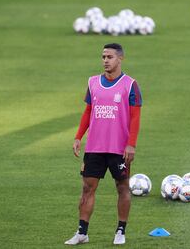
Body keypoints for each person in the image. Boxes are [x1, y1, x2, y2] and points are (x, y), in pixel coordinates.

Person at [65, 43, 142, 245]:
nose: (105, 60)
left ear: (120, 59)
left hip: (119, 149)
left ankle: (120, 231)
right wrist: (78, 136)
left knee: (123, 188)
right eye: (103, 57)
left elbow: (135, 117)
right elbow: (88, 111)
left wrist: (131, 144)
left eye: (109, 57)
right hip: (95, 148)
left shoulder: (130, 84)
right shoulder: (92, 82)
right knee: (87, 189)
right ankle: (82, 232)